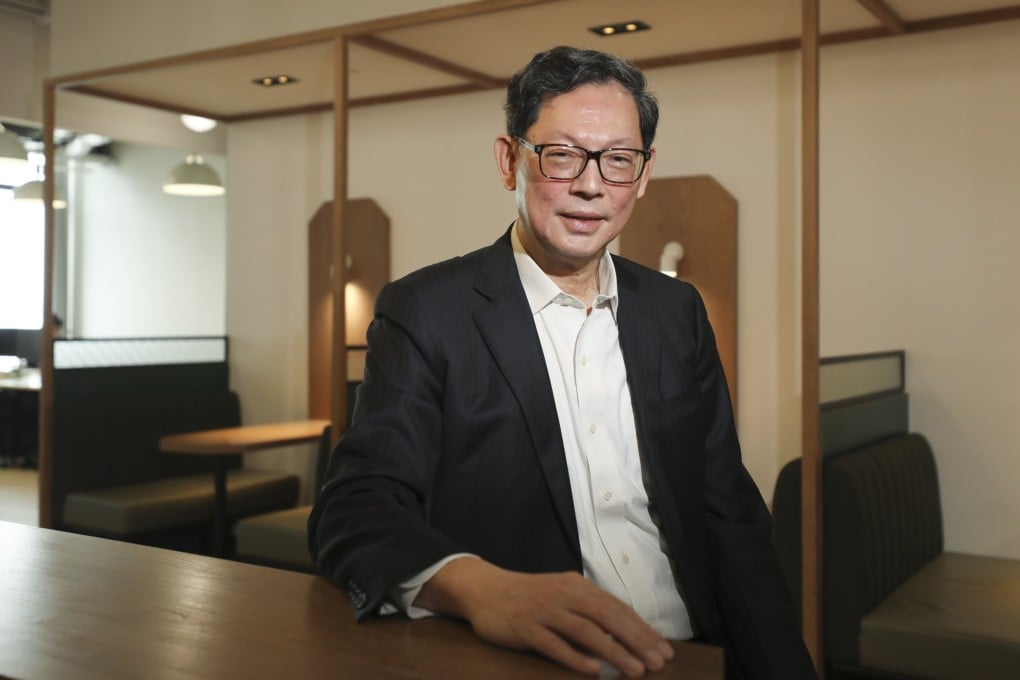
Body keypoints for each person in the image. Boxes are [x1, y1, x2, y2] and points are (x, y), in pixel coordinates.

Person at [309, 46, 816, 680]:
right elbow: (353, 511)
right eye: (563, 153)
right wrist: (482, 588)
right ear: (509, 160)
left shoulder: (675, 310)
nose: (591, 183)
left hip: (692, 652)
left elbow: (728, 513)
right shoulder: (427, 312)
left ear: (644, 171)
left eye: (618, 159)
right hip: (536, 660)